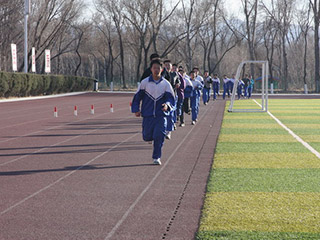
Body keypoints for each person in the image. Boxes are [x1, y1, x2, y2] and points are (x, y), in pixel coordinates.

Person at [131, 59, 175, 165]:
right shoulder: (145, 82)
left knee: (159, 136)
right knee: (147, 136)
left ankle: (156, 157)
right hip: (148, 115)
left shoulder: (166, 84)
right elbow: (137, 97)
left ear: (162, 69)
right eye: (154, 68)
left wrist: (167, 105)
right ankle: (148, 137)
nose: (156, 70)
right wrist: (136, 109)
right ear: (151, 69)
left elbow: (171, 99)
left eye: (158, 68)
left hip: (161, 115)